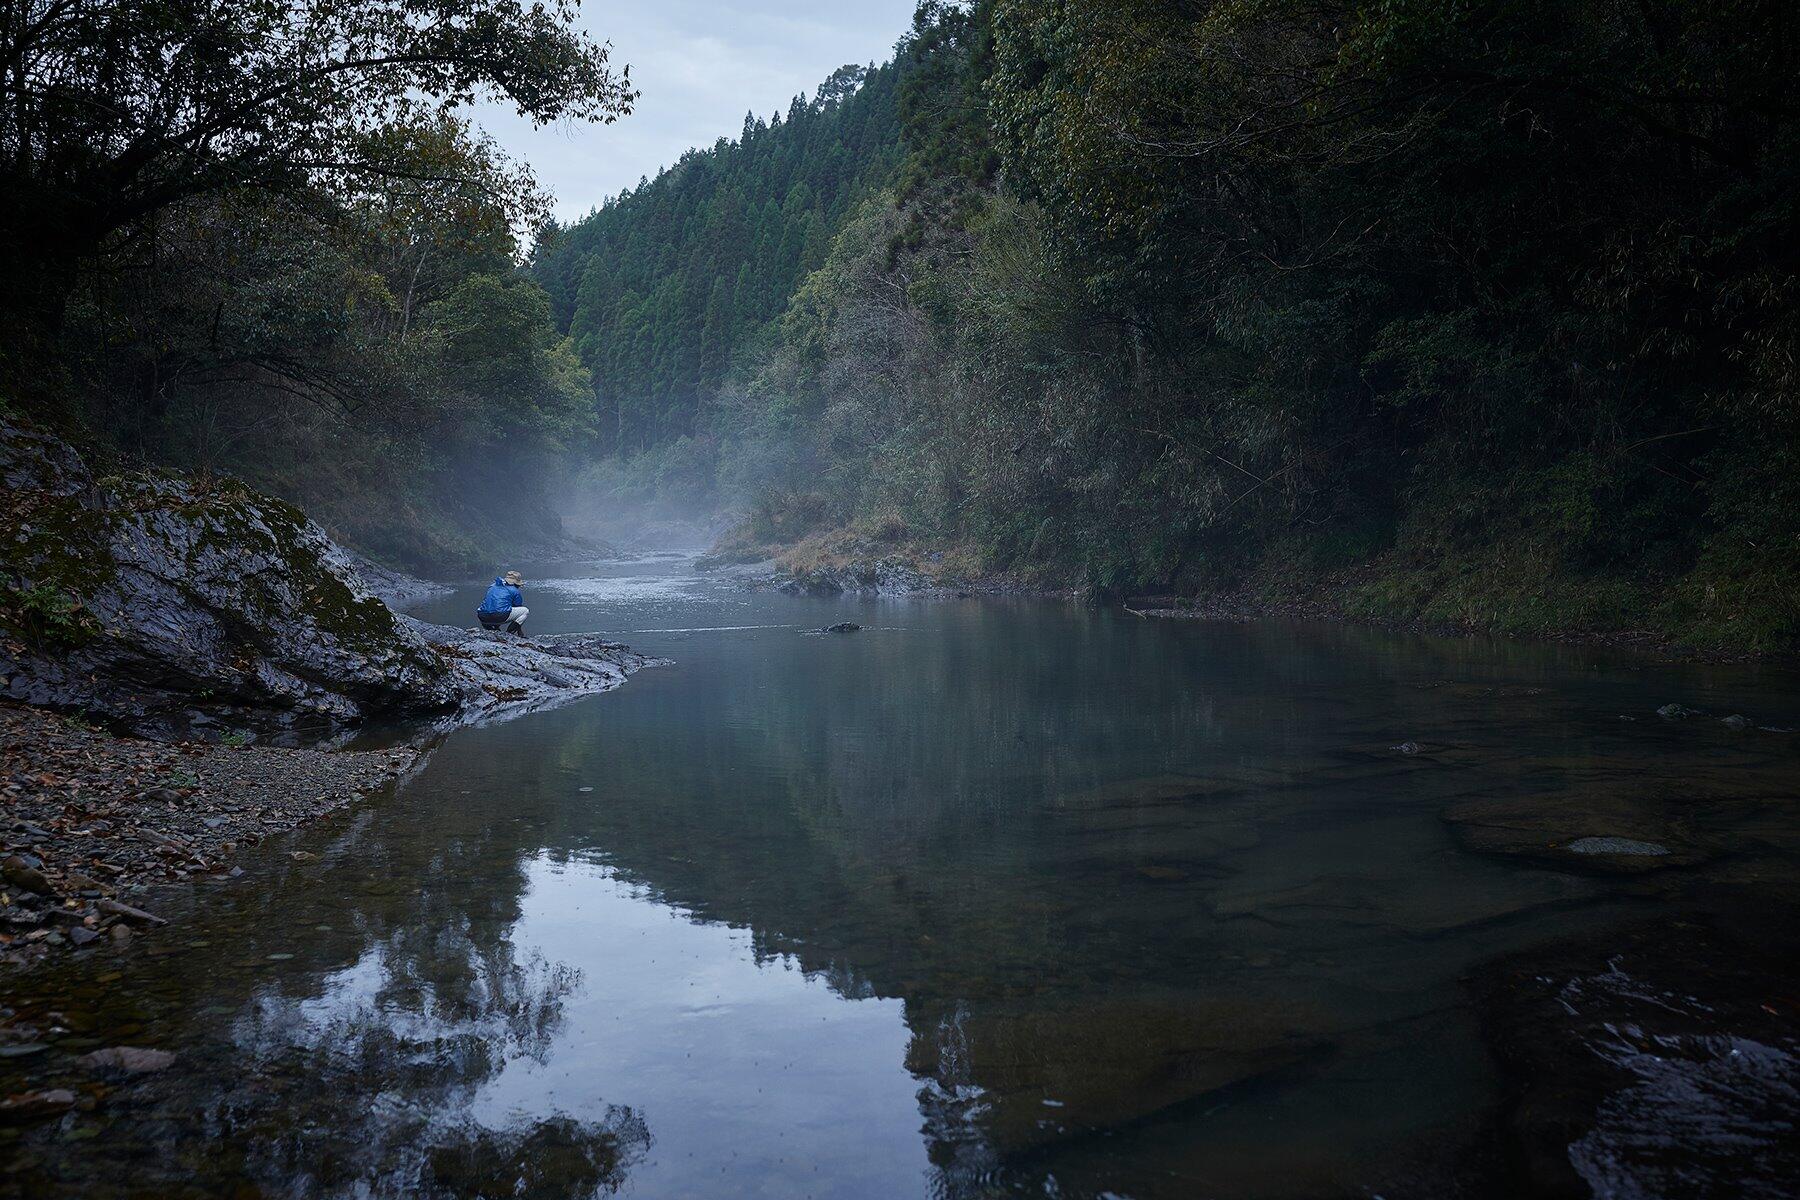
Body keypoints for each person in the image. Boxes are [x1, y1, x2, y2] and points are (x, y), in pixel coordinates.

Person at [477, 570, 529, 634]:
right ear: (516, 583)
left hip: (483, 617)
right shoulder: (514, 590)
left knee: (489, 608)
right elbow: (517, 605)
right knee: (525, 611)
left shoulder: (492, 586)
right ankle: (509, 632)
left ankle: (492, 629)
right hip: (499, 616)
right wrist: (519, 628)